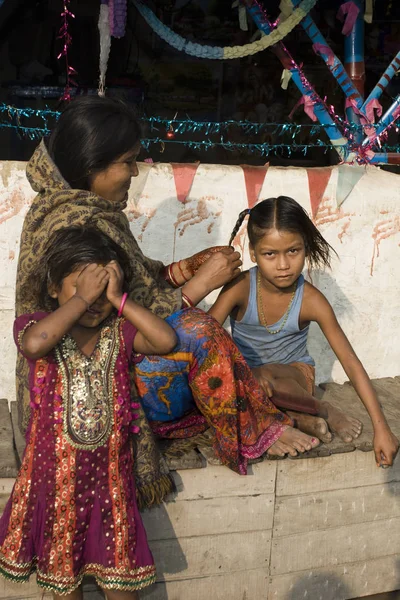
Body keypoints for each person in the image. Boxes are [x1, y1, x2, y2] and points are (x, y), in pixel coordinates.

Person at [16, 96, 319, 505]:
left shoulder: (72, 205)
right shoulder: (77, 223)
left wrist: (184, 269)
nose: (134, 171)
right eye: (127, 161)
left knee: (204, 338)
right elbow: (108, 314)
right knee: (199, 331)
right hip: (87, 387)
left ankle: (263, 413)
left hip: (100, 361)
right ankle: (257, 430)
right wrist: (201, 286)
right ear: (93, 165)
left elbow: (133, 284)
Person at [2, 227, 180, 599]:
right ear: (54, 289)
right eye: (82, 288)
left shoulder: (119, 332)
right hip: (56, 488)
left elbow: (166, 341)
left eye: (103, 293)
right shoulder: (39, 327)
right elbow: (34, 345)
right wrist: (81, 300)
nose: (93, 301)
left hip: (110, 488)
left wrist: (119, 299)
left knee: (121, 584)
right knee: (65, 587)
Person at [208, 197, 399, 466]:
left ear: (305, 248)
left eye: (293, 251)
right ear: (253, 252)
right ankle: (298, 419)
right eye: (270, 254)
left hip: (294, 377)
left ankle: (323, 408)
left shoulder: (311, 300)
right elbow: (203, 336)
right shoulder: (240, 287)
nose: (283, 264)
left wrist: (382, 429)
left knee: (263, 376)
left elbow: (351, 363)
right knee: (229, 383)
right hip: (247, 380)